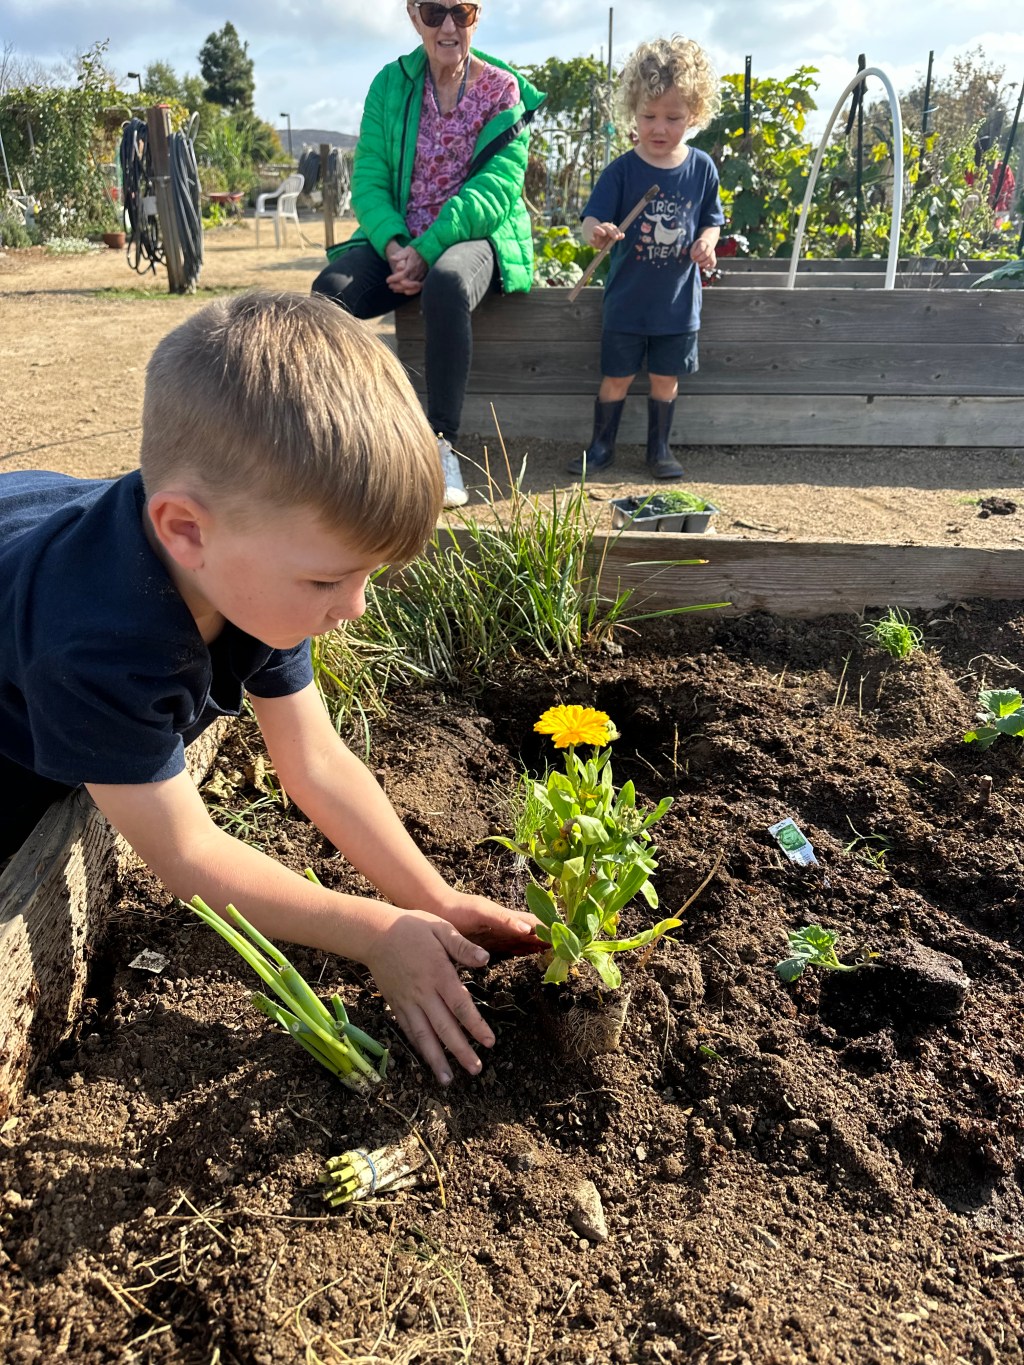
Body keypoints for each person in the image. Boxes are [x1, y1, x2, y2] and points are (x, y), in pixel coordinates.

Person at [0, 292, 540, 1085]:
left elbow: (314, 761)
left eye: (365, 575)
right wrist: (374, 931)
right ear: (185, 531)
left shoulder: (245, 566)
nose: (354, 607)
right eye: (329, 579)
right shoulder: (95, 645)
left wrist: (432, 897)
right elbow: (187, 854)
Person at [312, 2, 545, 508]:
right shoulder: (389, 85)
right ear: (414, 16)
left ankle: (442, 445)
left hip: (474, 236)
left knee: (447, 283)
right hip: (398, 239)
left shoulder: (503, 90)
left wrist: (427, 250)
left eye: (461, 11)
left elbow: (495, 192)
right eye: (435, 11)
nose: (448, 26)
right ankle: (353, 437)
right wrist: (396, 246)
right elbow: (368, 180)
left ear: (477, 17)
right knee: (329, 294)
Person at [569, 36, 724, 481]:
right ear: (632, 112)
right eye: (648, 116)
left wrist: (707, 243)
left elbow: (712, 221)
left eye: (673, 118)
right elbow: (590, 219)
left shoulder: (701, 168)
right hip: (626, 304)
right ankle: (601, 448)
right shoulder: (622, 170)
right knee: (616, 377)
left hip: (677, 307)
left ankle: (659, 451)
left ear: (695, 115)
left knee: (665, 380)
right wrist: (597, 233)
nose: (659, 128)